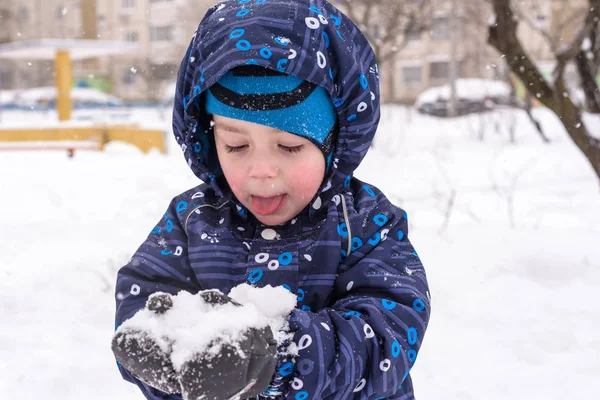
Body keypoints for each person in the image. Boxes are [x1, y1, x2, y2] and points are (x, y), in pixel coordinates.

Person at [112, 0, 431, 399]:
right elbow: (144, 293)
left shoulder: (364, 221)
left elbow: (389, 330)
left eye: (290, 146)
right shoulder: (191, 220)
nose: (261, 170)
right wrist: (163, 350)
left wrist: (280, 356)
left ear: (335, 144)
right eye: (236, 145)